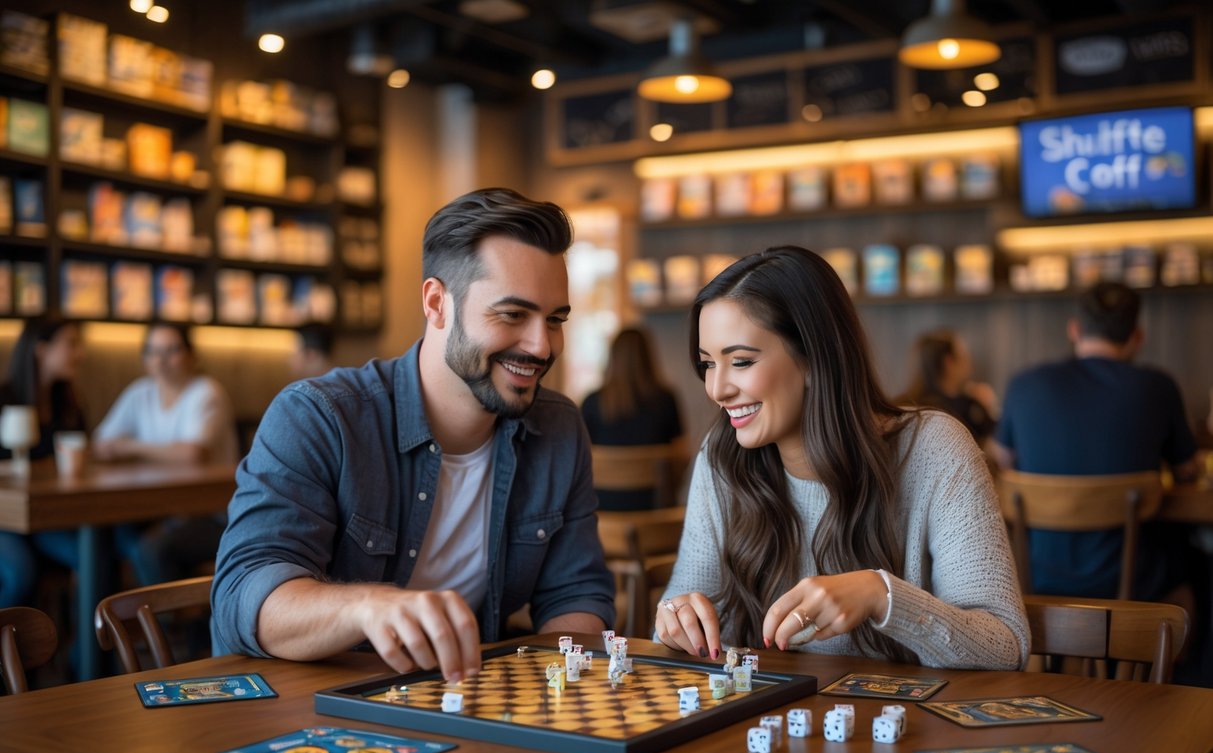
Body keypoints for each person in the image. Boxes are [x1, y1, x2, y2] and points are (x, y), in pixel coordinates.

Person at [210, 188, 616, 683]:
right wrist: (368, 607)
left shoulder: (558, 427)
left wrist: (564, 689)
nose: (541, 345)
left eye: (554, 320)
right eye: (512, 315)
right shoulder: (319, 416)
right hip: (307, 713)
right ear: (436, 303)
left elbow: (575, 595)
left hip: (464, 703)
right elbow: (243, 595)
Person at [655, 246, 1028, 670]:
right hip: (767, 723)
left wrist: (881, 595)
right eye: (707, 364)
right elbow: (677, 623)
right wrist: (676, 621)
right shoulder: (722, 457)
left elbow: (1005, 647)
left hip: (912, 727)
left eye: (740, 361)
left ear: (815, 358)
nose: (716, 389)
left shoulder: (935, 448)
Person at [992, 282, 1200, 603]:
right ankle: (1167, 653)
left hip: (1037, 576)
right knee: (1196, 566)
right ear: (1137, 336)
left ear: (1074, 330)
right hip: (1134, 581)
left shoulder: (1024, 384)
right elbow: (1186, 469)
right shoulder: (1158, 387)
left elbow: (1001, 462)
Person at [93, 322, 239, 585]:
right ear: (144, 358)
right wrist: (155, 450)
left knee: (150, 549)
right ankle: (110, 622)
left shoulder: (206, 392)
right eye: (153, 351)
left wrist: (131, 446)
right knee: (105, 536)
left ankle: (165, 625)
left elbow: (192, 453)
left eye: (172, 350)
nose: (161, 360)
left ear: (192, 355)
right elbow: (102, 443)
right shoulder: (140, 392)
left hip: (212, 512)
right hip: (156, 508)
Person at [0, 316, 87, 607]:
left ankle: (83, 652)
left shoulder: (70, 405)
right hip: (5, 518)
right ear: (41, 348)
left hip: (47, 517)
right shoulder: (5, 399)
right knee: (20, 572)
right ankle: (12, 650)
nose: (79, 354)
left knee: (90, 558)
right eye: (71, 344)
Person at [580, 326, 684, 510]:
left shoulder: (591, 403)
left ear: (612, 358)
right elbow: (681, 459)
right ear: (648, 358)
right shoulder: (666, 400)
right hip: (655, 514)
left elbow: (579, 463)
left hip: (602, 516)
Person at [899, 328, 998, 450]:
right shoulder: (965, 408)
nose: (970, 362)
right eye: (964, 355)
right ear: (949, 362)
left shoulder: (902, 406)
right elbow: (999, 445)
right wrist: (989, 407)